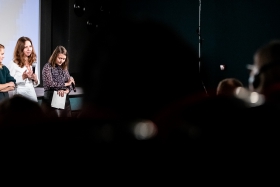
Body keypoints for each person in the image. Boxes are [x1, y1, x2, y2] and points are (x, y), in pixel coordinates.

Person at [41, 45, 75, 118]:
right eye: (59, 58)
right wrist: (66, 84)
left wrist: (67, 90)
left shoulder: (64, 68)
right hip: (51, 99)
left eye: (63, 59)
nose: (61, 61)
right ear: (54, 56)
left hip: (64, 99)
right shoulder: (47, 67)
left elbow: (71, 84)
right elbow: (50, 84)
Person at [8, 36, 39, 102]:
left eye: (30, 46)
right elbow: (10, 82)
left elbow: (36, 83)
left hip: (31, 93)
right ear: (20, 48)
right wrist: (23, 77)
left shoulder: (33, 62)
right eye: (26, 47)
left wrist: (35, 79)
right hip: (20, 93)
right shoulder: (13, 63)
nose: (29, 49)